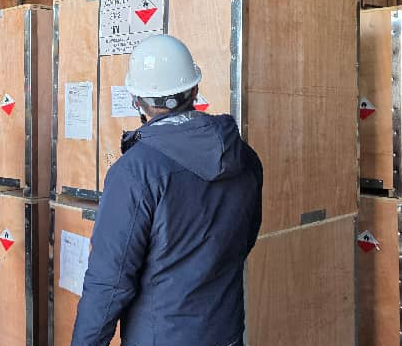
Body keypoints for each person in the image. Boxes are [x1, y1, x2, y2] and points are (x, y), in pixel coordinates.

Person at [70, 35, 263, 346]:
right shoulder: (244, 157)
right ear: (195, 90)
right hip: (226, 334)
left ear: (136, 100)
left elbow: (109, 282)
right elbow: (244, 239)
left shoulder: (135, 172)